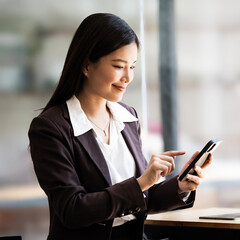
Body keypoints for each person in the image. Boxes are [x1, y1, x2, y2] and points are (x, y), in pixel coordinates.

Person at [28, 13, 212, 240]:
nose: (128, 77)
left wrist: (180, 187)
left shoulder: (127, 118)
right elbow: (72, 209)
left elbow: (140, 198)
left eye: (132, 66)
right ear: (86, 65)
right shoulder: (50, 128)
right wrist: (142, 182)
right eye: (118, 66)